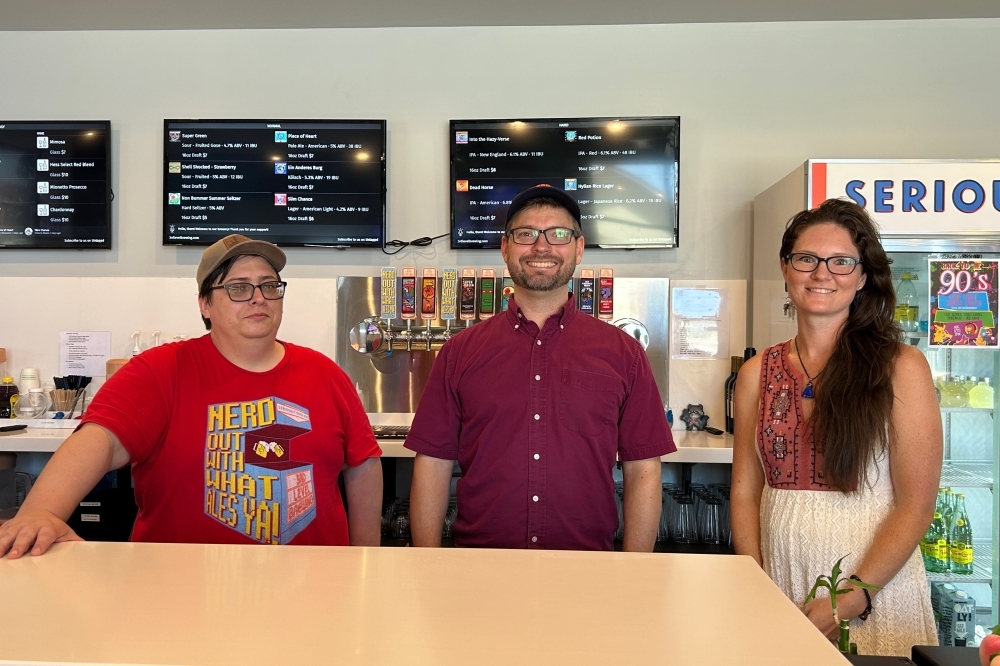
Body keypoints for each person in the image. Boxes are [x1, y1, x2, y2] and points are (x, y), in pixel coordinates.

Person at [0, 235, 382, 558]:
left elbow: (363, 464)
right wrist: (41, 511)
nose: (258, 298)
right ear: (205, 304)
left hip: (312, 594)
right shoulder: (159, 371)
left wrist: (365, 562)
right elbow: (99, 440)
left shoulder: (326, 374)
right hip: (177, 596)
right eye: (238, 287)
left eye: (269, 285)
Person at [406, 185, 675, 551]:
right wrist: (426, 563)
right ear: (505, 248)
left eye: (559, 234)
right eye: (526, 234)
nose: (542, 246)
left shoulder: (623, 354)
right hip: (479, 571)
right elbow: (433, 463)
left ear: (579, 249)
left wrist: (633, 570)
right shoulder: (459, 352)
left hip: (587, 570)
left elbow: (643, 469)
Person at [731, 199, 940, 656]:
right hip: (779, 586)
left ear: (863, 276)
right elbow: (746, 491)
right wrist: (755, 583)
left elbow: (916, 505)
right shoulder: (755, 374)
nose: (821, 274)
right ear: (786, 269)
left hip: (875, 590)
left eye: (841, 262)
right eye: (806, 259)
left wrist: (851, 597)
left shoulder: (901, 367)